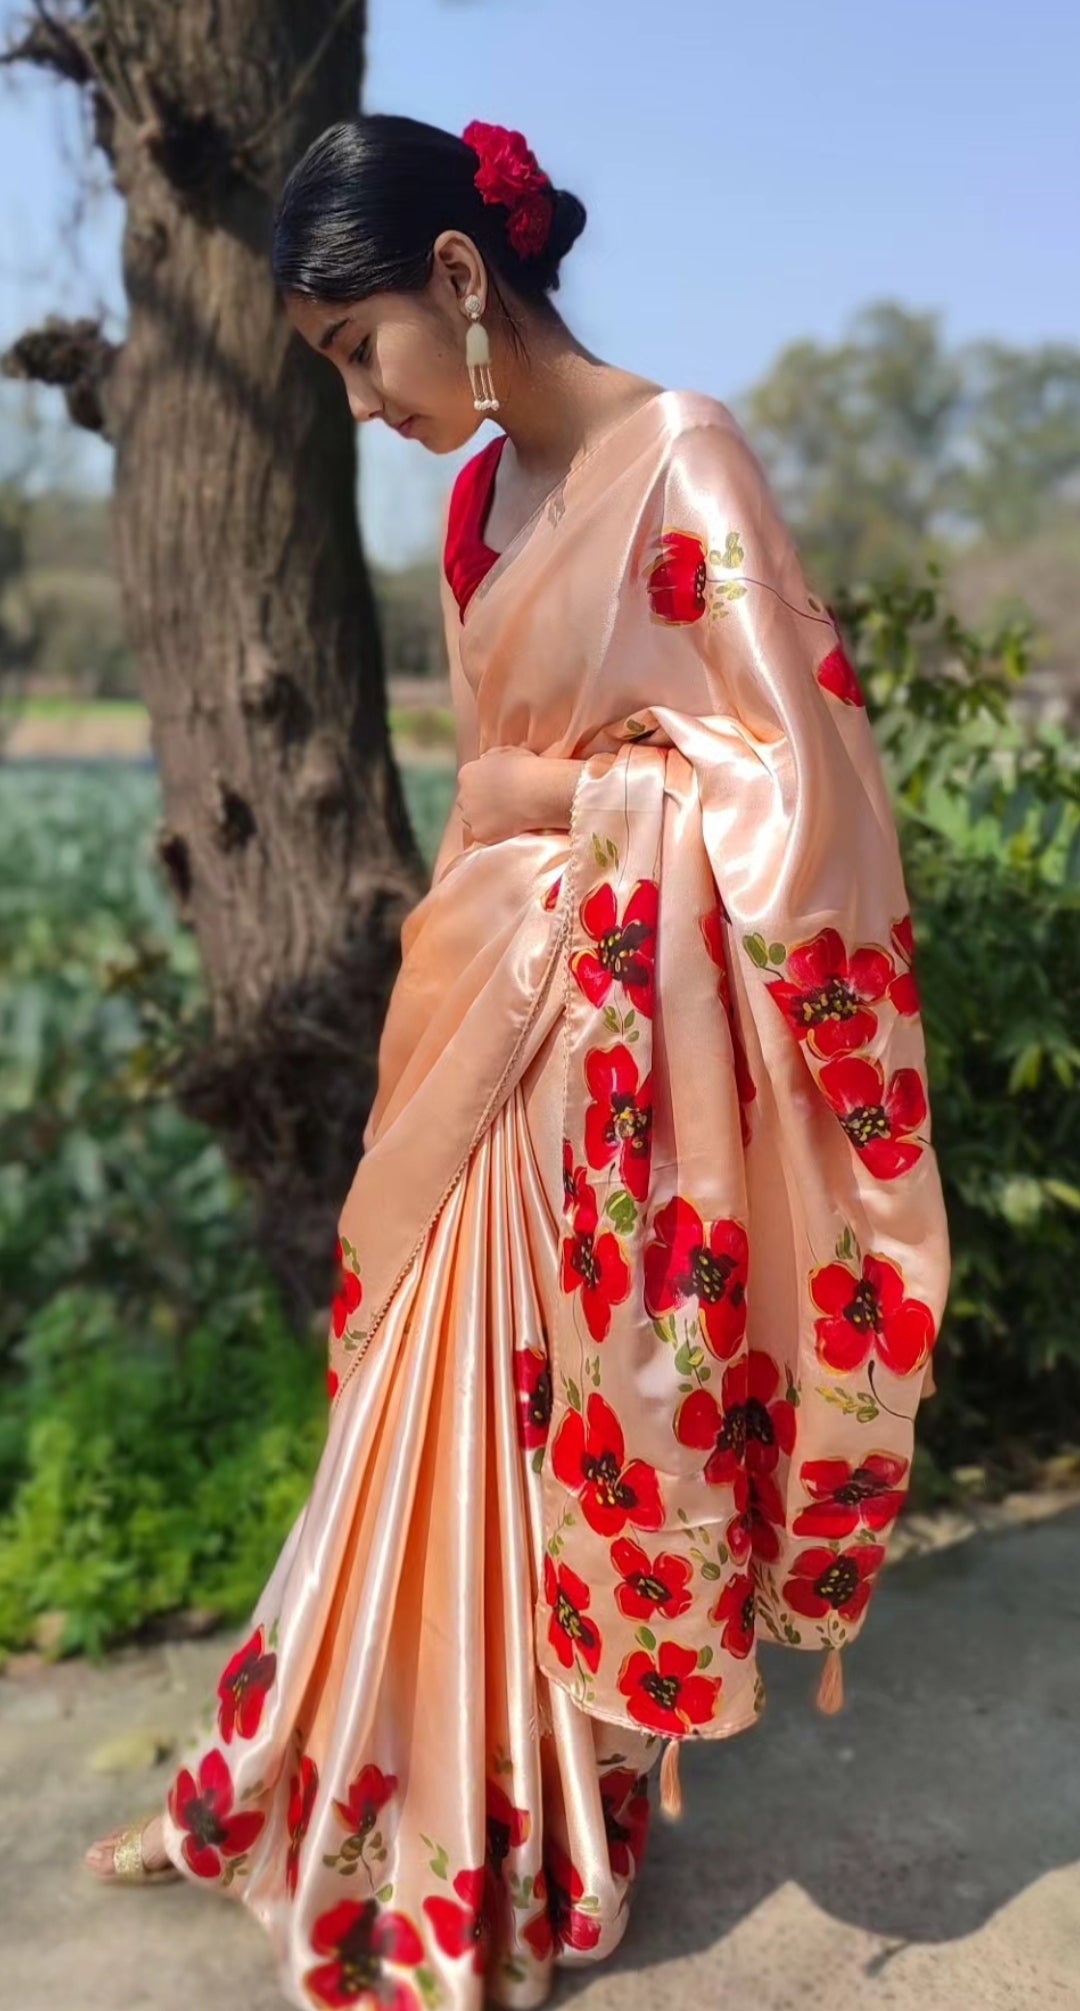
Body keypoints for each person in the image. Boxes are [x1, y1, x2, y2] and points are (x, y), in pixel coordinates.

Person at [83, 112, 951, 2011]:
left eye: (359, 352)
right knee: (407, 1431)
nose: (364, 403)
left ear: (460, 282)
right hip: (480, 1017)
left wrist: (545, 794)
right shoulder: (484, 508)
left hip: (626, 1066)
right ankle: (297, 1774)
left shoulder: (682, 458)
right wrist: (519, 822)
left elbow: (806, 803)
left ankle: (508, 1837)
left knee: (543, 1450)